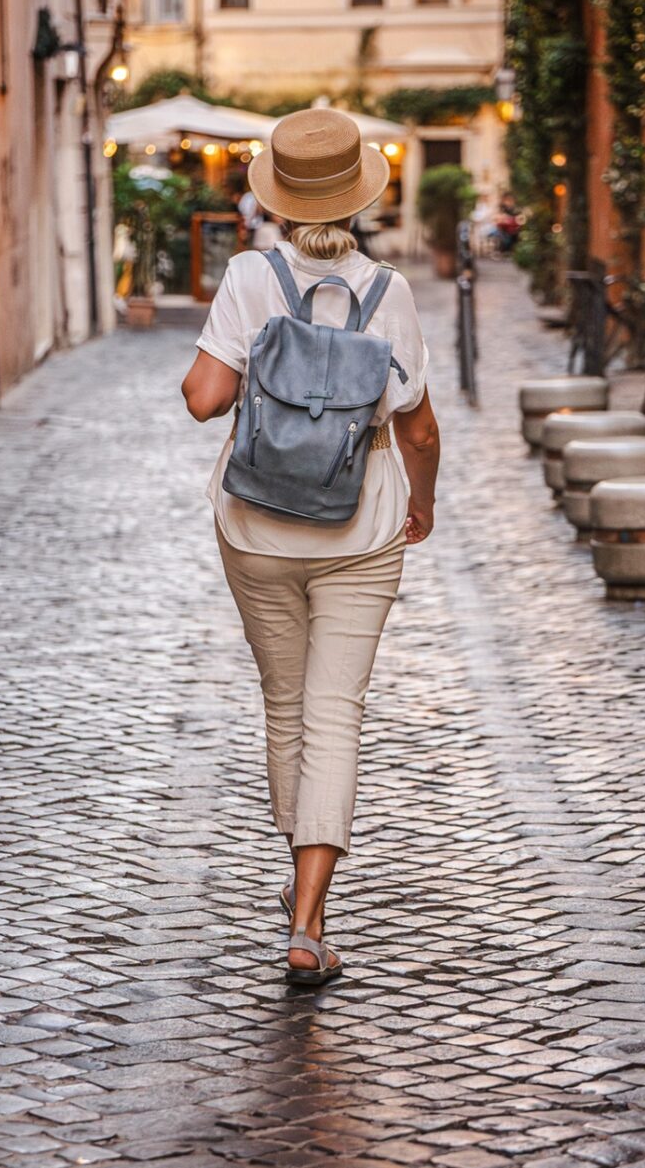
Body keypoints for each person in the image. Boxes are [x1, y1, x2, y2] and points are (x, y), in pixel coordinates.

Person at [180, 110, 441, 987]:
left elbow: (201, 400)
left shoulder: (250, 277)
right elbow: (422, 427)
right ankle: (306, 922)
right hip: (361, 526)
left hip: (254, 525)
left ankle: (308, 913)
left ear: (279, 201)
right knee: (337, 714)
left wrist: (262, 364)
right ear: (360, 195)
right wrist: (424, 503)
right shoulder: (389, 292)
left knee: (285, 705)